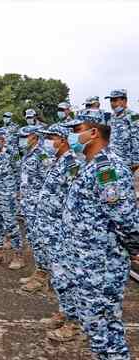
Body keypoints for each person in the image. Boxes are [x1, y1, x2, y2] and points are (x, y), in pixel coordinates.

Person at [62, 109, 139, 359]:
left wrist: (135, 249)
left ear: (93, 132)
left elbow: (126, 218)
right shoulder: (91, 166)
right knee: (96, 327)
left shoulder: (108, 169)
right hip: (88, 262)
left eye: (76, 131)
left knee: (105, 330)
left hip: (102, 265)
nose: (72, 136)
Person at [31, 124, 83, 342]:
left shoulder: (71, 164)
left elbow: (76, 199)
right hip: (52, 229)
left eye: (50, 137)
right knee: (59, 276)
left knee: (67, 276)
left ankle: (74, 323)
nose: (46, 142)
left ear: (62, 140)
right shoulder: (58, 161)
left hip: (63, 230)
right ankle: (64, 312)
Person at [0, 129, 25, 269]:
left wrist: (18, 191)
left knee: (11, 226)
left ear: (3, 140)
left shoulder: (12, 154)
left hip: (7, 197)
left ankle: (18, 256)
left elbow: (19, 172)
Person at [17, 125, 47, 292]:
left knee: (39, 240)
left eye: (25, 136)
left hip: (38, 205)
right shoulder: (28, 154)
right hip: (28, 203)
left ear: (35, 137)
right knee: (33, 239)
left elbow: (46, 181)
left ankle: (42, 276)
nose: (22, 140)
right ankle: (38, 272)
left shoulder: (42, 155)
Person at [106, 89, 139, 171]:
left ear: (124, 100)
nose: (112, 103)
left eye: (115, 100)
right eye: (111, 100)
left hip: (126, 161)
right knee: (110, 182)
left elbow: (136, 138)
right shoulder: (112, 117)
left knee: (125, 182)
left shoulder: (133, 116)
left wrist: (136, 160)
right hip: (112, 159)